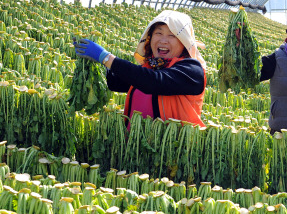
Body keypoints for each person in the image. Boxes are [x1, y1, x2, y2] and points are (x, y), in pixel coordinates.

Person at [73, 10, 207, 127]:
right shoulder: (151, 67)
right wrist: (90, 64)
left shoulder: (192, 70)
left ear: (184, 42)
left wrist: (105, 57)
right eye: (158, 33)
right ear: (150, 38)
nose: (163, 40)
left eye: (172, 35)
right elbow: (115, 81)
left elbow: (153, 82)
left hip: (173, 150)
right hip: (136, 148)